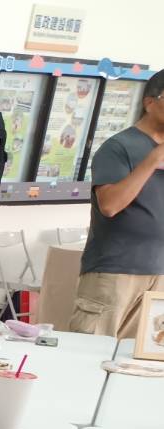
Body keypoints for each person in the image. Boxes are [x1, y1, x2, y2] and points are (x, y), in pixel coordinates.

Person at [69, 71, 164, 338]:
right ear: (150, 102)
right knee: (89, 355)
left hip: (159, 271)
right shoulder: (119, 147)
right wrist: (153, 159)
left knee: (138, 361)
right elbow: (110, 205)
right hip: (114, 271)